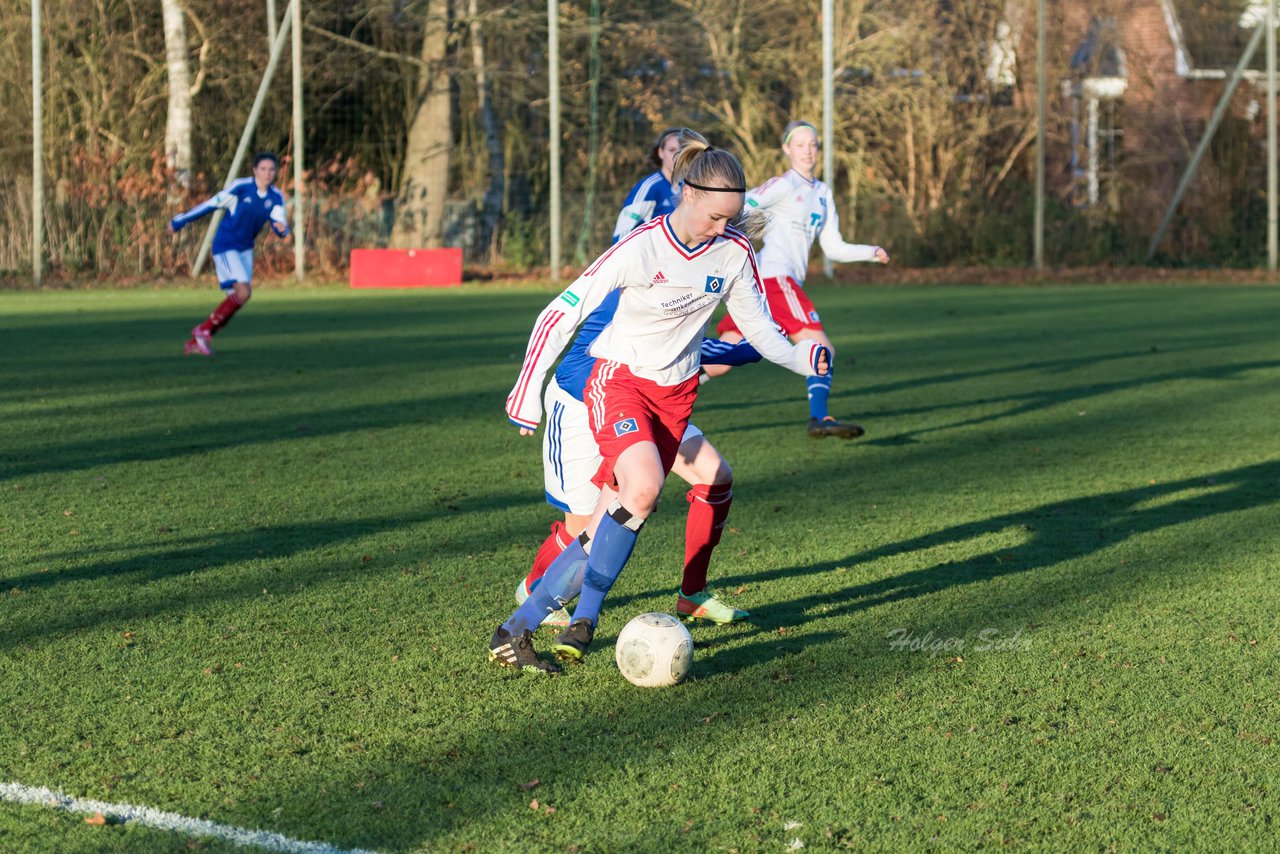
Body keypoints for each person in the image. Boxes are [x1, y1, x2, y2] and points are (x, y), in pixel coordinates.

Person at [489, 138, 832, 674]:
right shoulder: (641, 247)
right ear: (690, 193)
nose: (724, 228)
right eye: (717, 216)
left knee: (613, 515)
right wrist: (525, 393)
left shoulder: (734, 252)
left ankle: (518, 629)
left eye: (733, 219)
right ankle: (586, 620)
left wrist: (799, 360)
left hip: (675, 398)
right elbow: (560, 312)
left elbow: (759, 330)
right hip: (617, 381)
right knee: (644, 487)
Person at [517, 127, 759, 630]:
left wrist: (747, 348)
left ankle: (692, 594)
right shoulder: (642, 251)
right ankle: (536, 592)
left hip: (650, 398)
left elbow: (686, 342)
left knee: (716, 478)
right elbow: (585, 337)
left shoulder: (705, 246)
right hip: (587, 399)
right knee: (584, 527)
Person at [711, 120, 889, 439]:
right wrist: (722, 227)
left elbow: (833, 246)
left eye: (812, 144)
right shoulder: (783, 185)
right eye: (800, 144)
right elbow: (745, 201)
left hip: (762, 285)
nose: (808, 151)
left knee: (723, 358)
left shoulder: (822, 193)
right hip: (775, 279)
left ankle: (657, 388)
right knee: (822, 348)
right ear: (786, 149)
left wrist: (869, 251)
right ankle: (819, 417)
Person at [169, 152, 290, 356]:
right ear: (254, 170)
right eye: (263, 169)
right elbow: (211, 204)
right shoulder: (241, 188)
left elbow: (280, 222)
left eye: (271, 170)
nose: (267, 173)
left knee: (235, 301)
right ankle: (203, 331)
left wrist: (282, 229)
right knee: (244, 292)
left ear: (275, 172)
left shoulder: (276, 196)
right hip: (225, 245)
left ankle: (195, 342)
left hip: (245, 250)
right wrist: (179, 221)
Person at [611, 128, 686, 243]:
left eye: (681, 151)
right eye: (672, 150)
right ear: (661, 153)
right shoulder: (650, 187)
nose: (677, 156)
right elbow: (623, 232)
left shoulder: (687, 188)